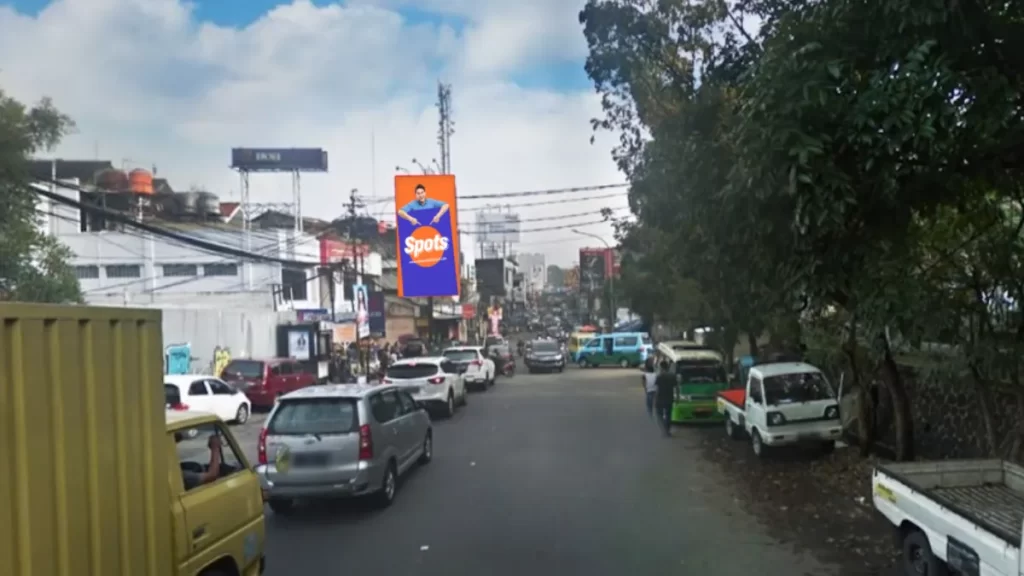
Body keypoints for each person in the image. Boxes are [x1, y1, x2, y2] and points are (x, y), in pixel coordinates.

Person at [653, 360, 677, 437]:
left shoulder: (659, 376)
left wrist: (654, 399)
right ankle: (667, 430)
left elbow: (657, 389)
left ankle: (664, 429)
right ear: (668, 367)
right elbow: (676, 388)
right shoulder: (672, 376)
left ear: (661, 367)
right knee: (668, 415)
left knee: (659, 414)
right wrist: (678, 397)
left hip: (660, 398)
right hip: (669, 398)